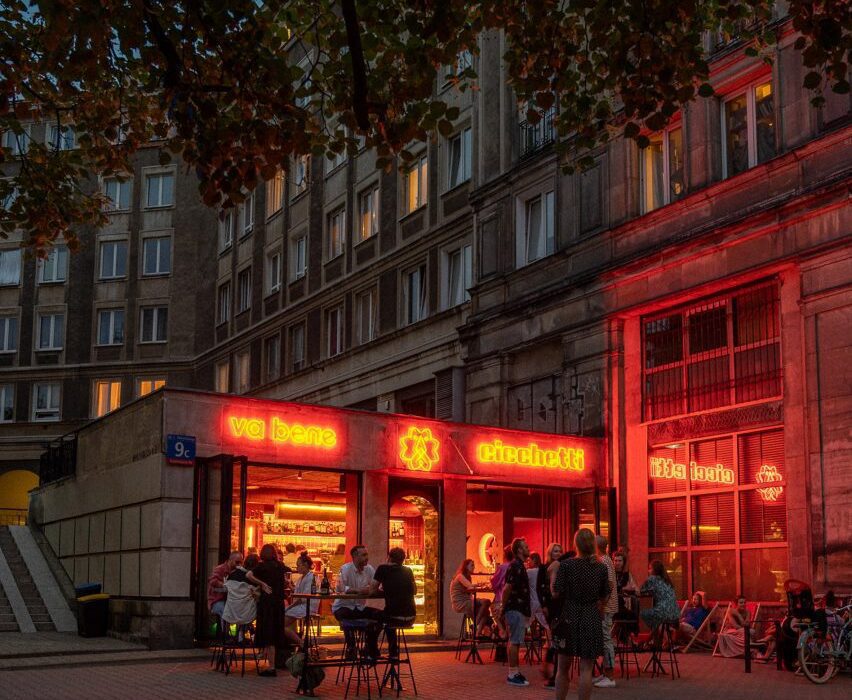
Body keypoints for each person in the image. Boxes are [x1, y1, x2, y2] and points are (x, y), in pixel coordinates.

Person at [551, 529, 610, 700]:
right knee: (586, 669)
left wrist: (554, 574)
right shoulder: (600, 567)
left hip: (569, 615)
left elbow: (556, 592)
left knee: (562, 668)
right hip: (591, 616)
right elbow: (605, 594)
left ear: (575, 544)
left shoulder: (567, 565)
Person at [247, 543, 290, 676]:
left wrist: (262, 583)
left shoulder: (261, 567)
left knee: (268, 632)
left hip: (267, 603)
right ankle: (273, 663)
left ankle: (271, 667)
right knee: (276, 631)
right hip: (278, 603)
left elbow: (248, 575)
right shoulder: (280, 566)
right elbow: (288, 576)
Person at [333, 545, 381, 658]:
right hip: (342, 607)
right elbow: (340, 589)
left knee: (381, 616)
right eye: (364, 555)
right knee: (346, 615)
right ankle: (351, 647)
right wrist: (359, 590)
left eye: (367, 554)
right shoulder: (345, 569)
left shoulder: (369, 569)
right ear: (355, 556)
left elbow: (376, 586)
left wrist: (371, 590)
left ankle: (369, 647)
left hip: (359, 607)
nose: (367, 558)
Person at [367, 547, 417, 658]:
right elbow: (415, 591)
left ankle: (372, 652)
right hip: (411, 617)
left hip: (393, 616)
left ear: (389, 557)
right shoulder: (408, 570)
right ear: (403, 560)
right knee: (388, 620)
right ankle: (393, 652)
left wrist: (386, 591)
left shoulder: (382, 569)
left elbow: (371, 591)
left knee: (374, 618)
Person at [498, 537, 532, 687]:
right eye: (525, 546)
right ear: (519, 550)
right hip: (515, 608)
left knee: (515, 640)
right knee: (515, 641)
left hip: (517, 608)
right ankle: (512, 673)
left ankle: (515, 671)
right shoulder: (516, 566)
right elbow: (507, 588)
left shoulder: (519, 566)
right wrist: (502, 606)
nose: (528, 548)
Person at [594, 535, 618, 689]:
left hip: (606, 607)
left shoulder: (604, 561)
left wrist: (602, 605)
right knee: (604, 638)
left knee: (606, 639)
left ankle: (610, 676)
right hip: (607, 605)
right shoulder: (606, 560)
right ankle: (605, 672)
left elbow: (608, 584)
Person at [539, 542, 563, 688]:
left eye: (559, 551)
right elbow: (540, 588)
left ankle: (550, 668)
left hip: (561, 606)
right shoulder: (544, 568)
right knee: (555, 639)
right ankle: (550, 668)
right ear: (550, 552)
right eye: (555, 551)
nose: (558, 553)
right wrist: (544, 605)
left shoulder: (563, 567)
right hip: (550, 607)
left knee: (556, 640)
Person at [284, 552, 319, 647]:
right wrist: (289, 585)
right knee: (282, 617)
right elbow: (297, 592)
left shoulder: (311, 577)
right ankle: (297, 640)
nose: (297, 568)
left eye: (298, 565)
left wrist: (290, 607)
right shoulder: (301, 578)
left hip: (307, 606)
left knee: (281, 624)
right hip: (301, 604)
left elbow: (303, 596)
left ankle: (300, 642)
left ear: (306, 565)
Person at [450, 558, 492, 637]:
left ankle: (477, 632)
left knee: (487, 603)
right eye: (472, 565)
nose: (474, 567)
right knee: (485, 609)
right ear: (466, 567)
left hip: (468, 601)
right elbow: (471, 587)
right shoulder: (460, 576)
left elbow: (471, 591)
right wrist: (481, 585)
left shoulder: (468, 577)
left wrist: (480, 586)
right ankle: (476, 627)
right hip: (461, 603)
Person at [639, 560, 680, 631]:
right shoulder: (667, 581)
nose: (648, 571)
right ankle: (659, 634)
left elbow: (641, 592)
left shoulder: (652, 579)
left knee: (643, 614)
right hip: (675, 615)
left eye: (650, 568)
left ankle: (656, 637)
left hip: (664, 614)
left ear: (654, 570)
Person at [222, 556, 259, 629]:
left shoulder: (231, 575)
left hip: (231, 612)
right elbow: (257, 594)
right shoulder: (252, 579)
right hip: (247, 615)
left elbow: (225, 588)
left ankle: (238, 634)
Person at [207, 551, 243, 619]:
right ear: (230, 560)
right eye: (237, 562)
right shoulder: (220, 569)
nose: (239, 565)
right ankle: (225, 629)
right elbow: (212, 581)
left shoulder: (237, 571)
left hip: (230, 600)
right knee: (226, 612)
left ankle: (239, 629)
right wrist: (224, 585)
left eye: (241, 562)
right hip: (217, 600)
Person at [490, 546, 513, 635]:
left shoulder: (502, 567)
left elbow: (494, 583)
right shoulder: (519, 567)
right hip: (516, 603)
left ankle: (502, 630)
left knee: (493, 607)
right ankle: (507, 630)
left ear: (505, 555)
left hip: (502, 601)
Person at [612, 549, 638, 624]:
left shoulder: (627, 574)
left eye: (620, 561)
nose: (617, 563)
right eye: (615, 560)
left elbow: (636, 589)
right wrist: (623, 588)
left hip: (625, 602)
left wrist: (632, 589)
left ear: (623, 562)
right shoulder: (610, 573)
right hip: (613, 604)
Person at [526, 552, 548, 630]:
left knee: (524, 623)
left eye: (529, 560)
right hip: (541, 601)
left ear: (534, 560)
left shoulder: (529, 572)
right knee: (546, 624)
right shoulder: (542, 571)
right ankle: (549, 641)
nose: (528, 563)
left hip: (532, 602)